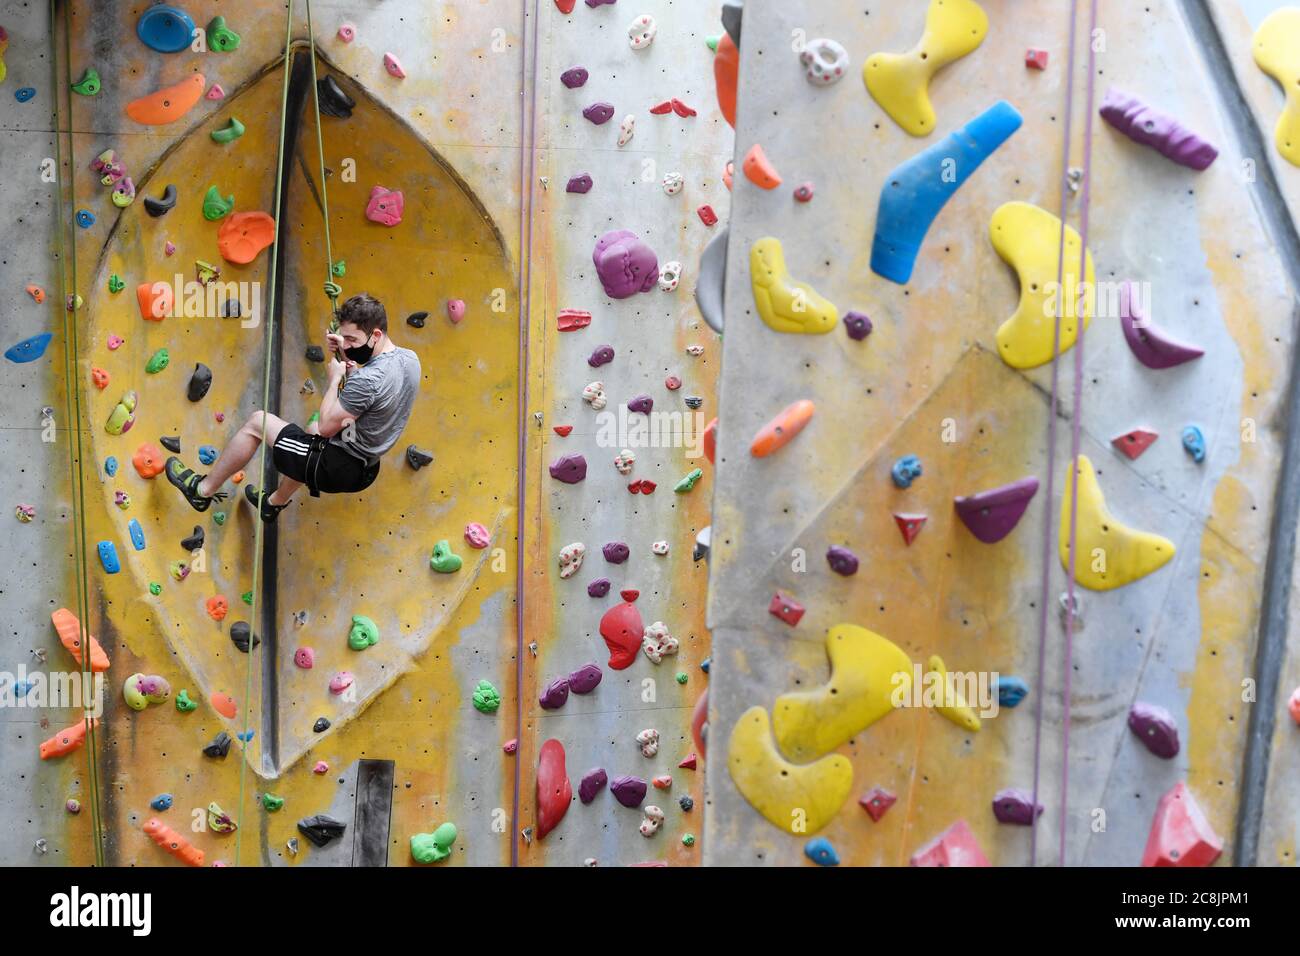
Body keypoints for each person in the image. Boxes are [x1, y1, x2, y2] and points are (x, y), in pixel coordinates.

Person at [164, 291, 421, 522]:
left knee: (257, 422)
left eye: (352, 339)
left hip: (337, 466)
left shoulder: (368, 381)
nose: (348, 345)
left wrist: (333, 382)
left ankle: (201, 491)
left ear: (375, 335)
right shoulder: (409, 360)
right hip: (367, 465)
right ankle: (273, 503)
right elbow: (370, 397)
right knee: (310, 431)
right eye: (345, 338)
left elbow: (328, 424)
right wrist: (347, 355)